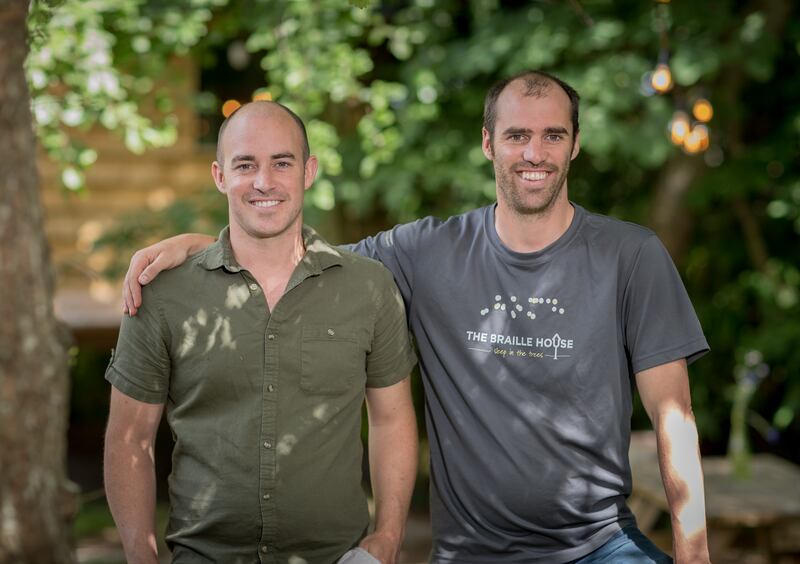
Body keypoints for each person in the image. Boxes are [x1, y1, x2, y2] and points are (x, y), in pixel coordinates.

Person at [122, 71, 711, 563]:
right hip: (469, 550)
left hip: (599, 544)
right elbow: (292, 257)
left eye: (552, 135)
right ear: (488, 143)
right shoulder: (426, 252)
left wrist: (694, 553)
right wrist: (202, 244)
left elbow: (674, 415)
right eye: (517, 136)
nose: (534, 153)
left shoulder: (631, 256)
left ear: (575, 144)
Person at [104, 101, 418, 564]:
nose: (264, 182)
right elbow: (130, 438)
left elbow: (392, 420)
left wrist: (389, 536)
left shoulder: (367, 288)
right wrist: (140, 554)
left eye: (282, 163)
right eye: (245, 165)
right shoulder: (163, 293)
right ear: (219, 175)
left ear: (308, 171)